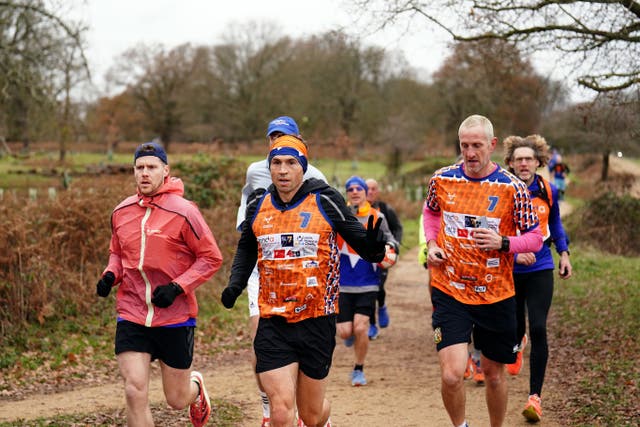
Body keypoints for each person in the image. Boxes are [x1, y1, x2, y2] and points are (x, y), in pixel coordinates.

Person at [221, 135, 387, 427]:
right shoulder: (259, 202)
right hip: (273, 321)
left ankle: (325, 419)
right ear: (269, 167)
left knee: (310, 416)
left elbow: (363, 244)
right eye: (276, 163)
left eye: (290, 163)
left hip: (316, 320)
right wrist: (236, 283)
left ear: (303, 167)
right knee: (282, 412)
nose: (283, 170)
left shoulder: (325, 199)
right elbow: (247, 246)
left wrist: (374, 247)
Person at [423, 114, 543, 427]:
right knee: (451, 375)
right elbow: (431, 213)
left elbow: (535, 240)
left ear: (491, 145)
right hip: (451, 288)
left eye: (477, 145)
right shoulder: (442, 179)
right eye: (465, 145)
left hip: (496, 294)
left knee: (492, 375)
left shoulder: (513, 188)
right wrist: (432, 243)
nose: (470, 152)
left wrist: (504, 242)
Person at [96, 142, 223, 427]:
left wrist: (178, 287)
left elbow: (211, 257)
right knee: (134, 389)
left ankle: (196, 388)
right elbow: (117, 253)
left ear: (165, 171)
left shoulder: (185, 212)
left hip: (175, 317)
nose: (144, 173)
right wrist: (109, 275)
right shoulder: (121, 212)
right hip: (132, 311)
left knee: (176, 399)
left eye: (151, 167)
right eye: (139, 168)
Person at [235, 116, 327, 427]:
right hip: (263, 269)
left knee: (307, 394)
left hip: (302, 273)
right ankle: (269, 406)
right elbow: (245, 224)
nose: (276, 141)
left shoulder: (315, 175)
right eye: (272, 136)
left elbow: (329, 222)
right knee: (258, 336)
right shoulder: (255, 171)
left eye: (283, 136)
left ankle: (308, 412)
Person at [503, 134, 573, 423]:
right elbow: (495, 230)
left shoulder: (547, 189)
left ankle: (535, 398)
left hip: (541, 264)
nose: (523, 163)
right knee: (515, 323)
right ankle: (518, 340)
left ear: (537, 162)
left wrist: (564, 253)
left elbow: (554, 221)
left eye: (528, 158)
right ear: (510, 163)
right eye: (518, 159)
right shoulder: (502, 190)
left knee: (540, 327)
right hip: (509, 267)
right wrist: (515, 254)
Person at [337, 176, 398, 386]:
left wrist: (390, 251)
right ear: (347, 193)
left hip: (368, 282)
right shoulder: (338, 216)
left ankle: (358, 369)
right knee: (345, 331)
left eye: (358, 189)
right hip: (342, 283)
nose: (354, 192)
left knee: (361, 327)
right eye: (350, 189)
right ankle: (350, 334)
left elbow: (390, 239)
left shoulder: (377, 216)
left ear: (365, 193)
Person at [365, 178, 403, 339]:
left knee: (378, 289)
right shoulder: (353, 211)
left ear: (378, 191)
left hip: (382, 257)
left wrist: (394, 247)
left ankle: (381, 306)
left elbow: (397, 228)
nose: (370, 192)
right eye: (367, 189)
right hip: (364, 257)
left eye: (374, 189)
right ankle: (372, 325)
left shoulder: (386, 210)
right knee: (369, 291)